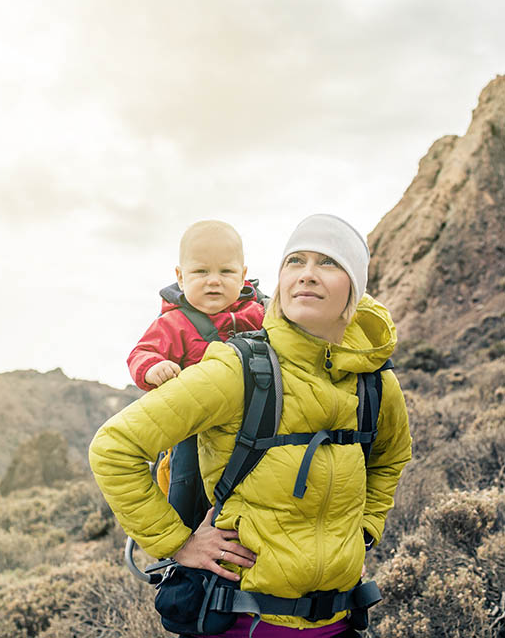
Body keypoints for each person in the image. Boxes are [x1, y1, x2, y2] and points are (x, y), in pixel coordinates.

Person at [90, 214, 412, 637]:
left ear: (355, 284)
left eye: (329, 263)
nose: (308, 275)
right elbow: (114, 447)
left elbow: (390, 458)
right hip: (243, 621)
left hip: (341, 622)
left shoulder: (376, 383)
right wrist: (177, 544)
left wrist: (365, 528)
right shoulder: (238, 367)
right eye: (296, 261)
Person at [127, 219, 265, 391]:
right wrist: (154, 367)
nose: (214, 280)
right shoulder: (174, 323)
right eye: (201, 271)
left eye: (226, 271)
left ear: (242, 276)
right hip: (204, 412)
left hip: (257, 410)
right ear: (181, 278)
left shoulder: (261, 312)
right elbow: (142, 353)